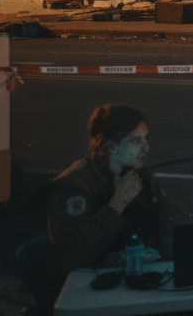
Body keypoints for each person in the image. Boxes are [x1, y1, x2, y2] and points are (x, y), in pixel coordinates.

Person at [46, 105, 174, 300]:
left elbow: (167, 219)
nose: (146, 148)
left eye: (145, 139)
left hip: (141, 282)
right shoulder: (74, 186)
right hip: (94, 291)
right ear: (110, 146)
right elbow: (70, 256)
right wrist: (118, 203)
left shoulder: (141, 175)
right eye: (136, 141)